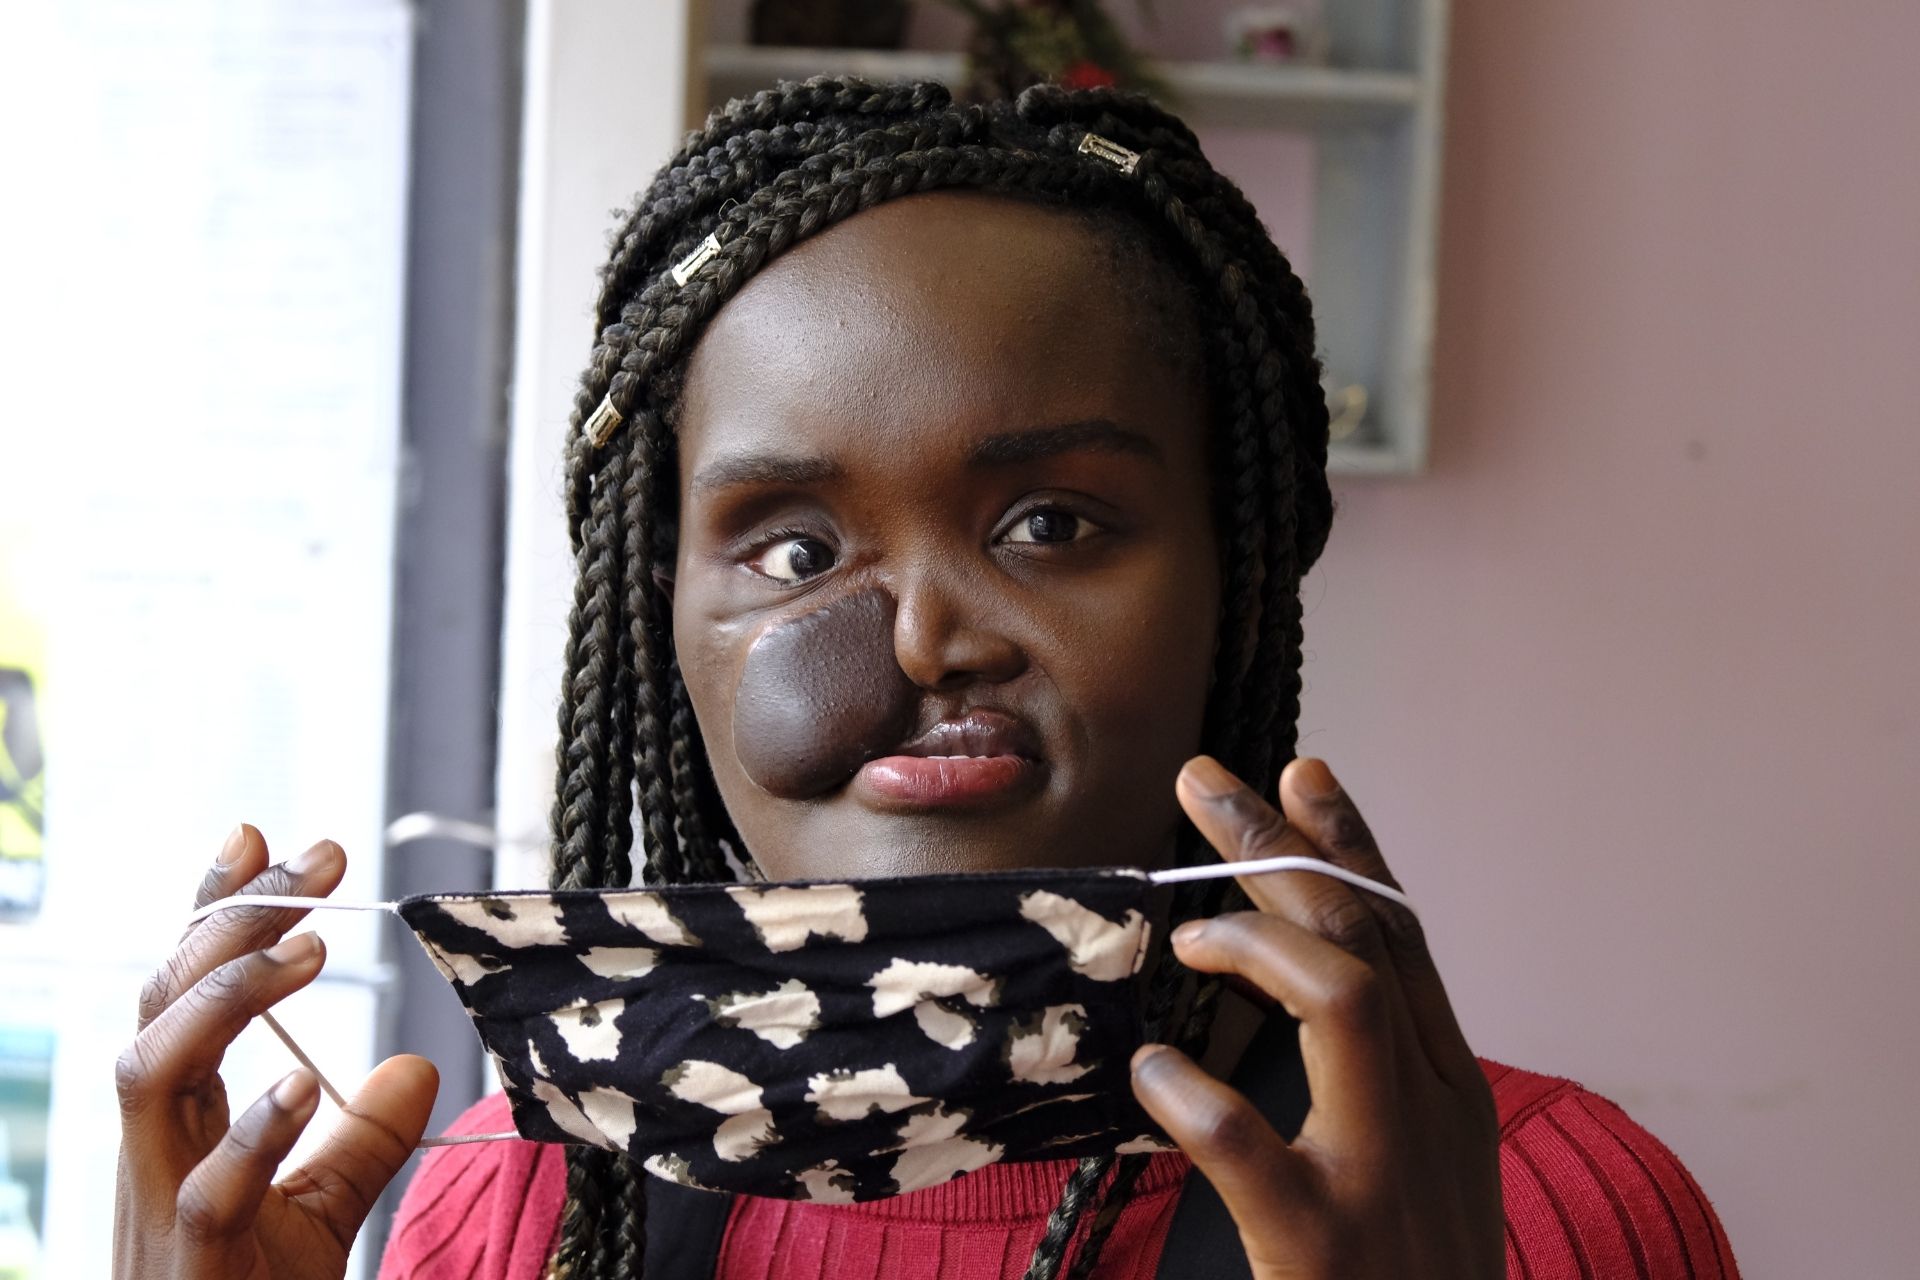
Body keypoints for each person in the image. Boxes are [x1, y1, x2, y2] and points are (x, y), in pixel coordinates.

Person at [111, 80, 1741, 1280]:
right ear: (653, 616)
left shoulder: (1542, 1204)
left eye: (1049, 523)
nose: (923, 642)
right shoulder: (523, 1208)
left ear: (1237, 585)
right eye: (797, 551)